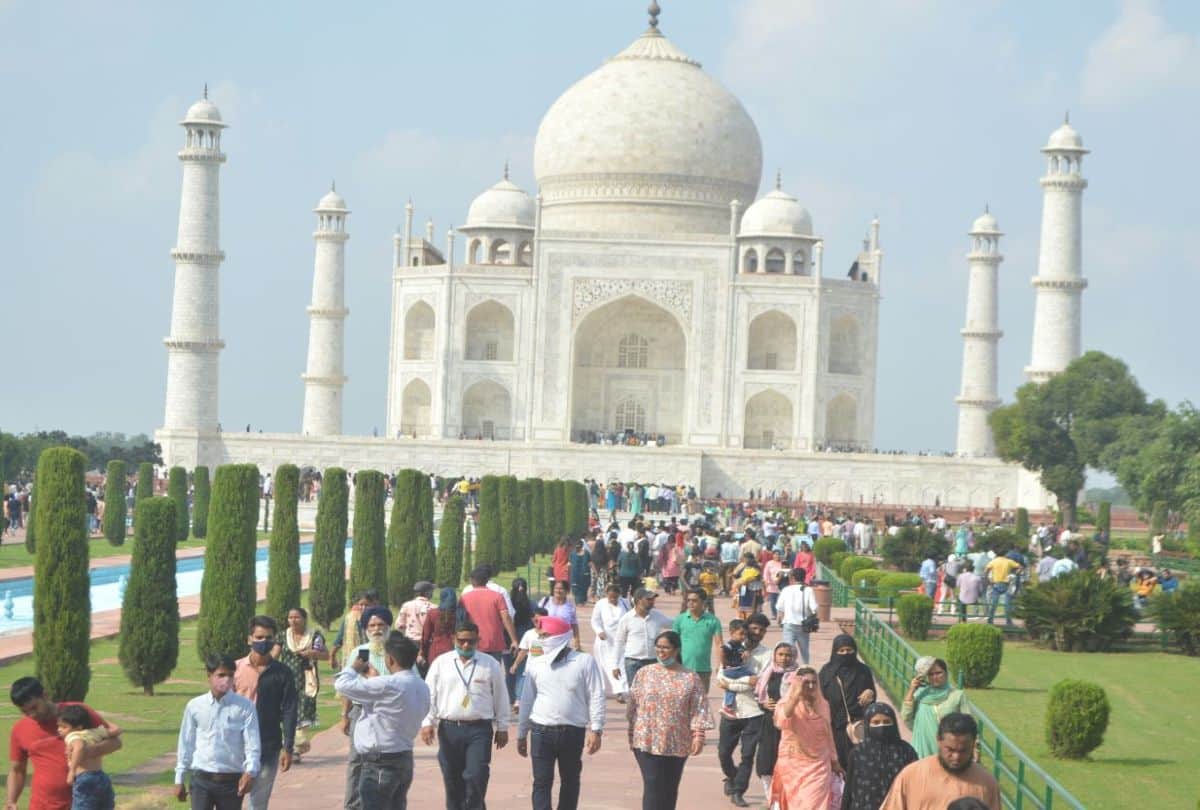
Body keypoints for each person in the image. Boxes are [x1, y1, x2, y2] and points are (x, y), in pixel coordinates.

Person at [516, 616, 606, 810]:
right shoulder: (536, 664)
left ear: (560, 637)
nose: (541, 640)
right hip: (541, 731)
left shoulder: (584, 661)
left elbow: (596, 695)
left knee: (570, 781)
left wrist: (596, 729)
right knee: (541, 782)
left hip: (572, 732)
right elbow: (527, 701)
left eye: (545, 635)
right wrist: (522, 734)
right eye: (540, 636)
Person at [420, 621, 511, 810]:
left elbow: (501, 696)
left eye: (470, 641)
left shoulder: (489, 664)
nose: (466, 646)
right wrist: (427, 722)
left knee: (476, 775)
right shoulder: (441, 663)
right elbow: (428, 694)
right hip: (449, 728)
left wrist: (503, 727)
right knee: (452, 779)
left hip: (479, 729)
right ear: (454, 639)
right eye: (461, 641)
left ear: (478, 640)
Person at [333, 633, 430, 810]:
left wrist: (354, 667)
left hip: (380, 762)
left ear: (390, 659)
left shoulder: (388, 684)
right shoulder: (421, 685)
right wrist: (375, 678)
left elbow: (341, 684)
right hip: (403, 755)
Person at [7, 677, 122, 810]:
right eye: (25, 711)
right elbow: (17, 770)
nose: (31, 715)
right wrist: (11, 800)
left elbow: (115, 742)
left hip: (86, 800)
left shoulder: (77, 712)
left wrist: (86, 751)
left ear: (45, 695)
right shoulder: (20, 729)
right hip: (43, 805)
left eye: (34, 707)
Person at [626, 630, 709, 810]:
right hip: (646, 740)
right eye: (658, 648)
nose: (661, 652)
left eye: (666, 648)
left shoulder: (690, 677)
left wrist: (698, 735)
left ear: (677, 650)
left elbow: (699, 708)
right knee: (653, 783)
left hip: (677, 741)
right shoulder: (644, 673)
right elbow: (633, 705)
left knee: (670, 788)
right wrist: (631, 732)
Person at [175, 654, 262, 809]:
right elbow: (186, 744)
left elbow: (252, 744)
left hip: (231, 781)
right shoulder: (195, 706)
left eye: (230, 675)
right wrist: (179, 779)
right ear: (209, 676)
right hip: (201, 779)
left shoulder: (245, 707)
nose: (226, 680)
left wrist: (250, 772)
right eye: (221, 675)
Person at [234, 615, 298, 810]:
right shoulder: (235, 669)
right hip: (235, 745)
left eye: (268, 638)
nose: (263, 642)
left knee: (258, 803)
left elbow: (289, 711)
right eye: (259, 637)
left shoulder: (282, 673)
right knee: (230, 799)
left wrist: (288, 747)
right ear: (249, 639)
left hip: (267, 745)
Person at [880, 713, 1001, 810]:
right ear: (938, 740)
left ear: (973, 744)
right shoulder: (911, 775)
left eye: (963, 751)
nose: (956, 757)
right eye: (950, 749)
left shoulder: (987, 783)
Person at [717, 613, 773, 808]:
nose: (757, 633)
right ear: (746, 628)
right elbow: (720, 676)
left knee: (748, 754)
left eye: (762, 630)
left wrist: (732, 684)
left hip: (754, 711)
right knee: (724, 752)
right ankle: (732, 777)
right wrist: (739, 683)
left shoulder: (768, 655)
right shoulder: (731, 646)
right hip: (730, 709)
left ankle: (739, 791)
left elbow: (757, 683)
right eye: (754, 628)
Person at [341, 606, 394, 810]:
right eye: (371, 625)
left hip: (389, 713)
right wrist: (344, 715)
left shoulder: (396, 651)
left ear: (388, 626)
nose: (376, 629)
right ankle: (353, 805)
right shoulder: (360, 652)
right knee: (356, 760)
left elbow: (410, 680)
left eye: (381, 624)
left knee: (388, 760)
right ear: (365, 629)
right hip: (361, 712)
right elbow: (347, 685)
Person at [769, 666, 840, 810]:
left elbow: (828, 735)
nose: (811, 686)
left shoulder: (823, 705)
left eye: (814, 682)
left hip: (819, 764)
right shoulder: (785, 704)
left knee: (813, 803)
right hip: (792, 763)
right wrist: (796, 696)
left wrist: (834, 760)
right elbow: (781, 721)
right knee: (795, 803)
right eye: (806, 683)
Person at [841, 702, 917, 810]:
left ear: (894, 723)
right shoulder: (857, 753)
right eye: (876, 722)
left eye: (886, 722)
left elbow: (915, 785)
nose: (881, 726)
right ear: (867, 725)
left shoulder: (906, 751)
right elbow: (849, 789)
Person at [819, 634, 876, 769]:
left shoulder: (863, 670)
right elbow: (819, 697)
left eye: (849, 650)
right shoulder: (826, 672)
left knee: (859, 764)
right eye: (842, 651)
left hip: (858, 725)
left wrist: (870, 693)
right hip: (833, 726)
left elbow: (872, 696)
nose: (846, 654)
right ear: (835, 652)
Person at [279, 607, 328, 758]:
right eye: (290, 617)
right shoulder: (283, 636)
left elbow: (325, 655)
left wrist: (312, 653)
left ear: (304, 619)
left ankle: (297, 746)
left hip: (307, 679)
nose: (293, 620)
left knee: (304, 710)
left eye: (297, 617)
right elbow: (274, 653)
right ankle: (293, 746)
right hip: (286, 679)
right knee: (288, 711)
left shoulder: (314, 636)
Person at [753, 642, 798, 800]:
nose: (784, 658)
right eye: (781, 654)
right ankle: (771, 798)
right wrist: (763, 703)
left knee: (788, 762)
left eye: (788, 655)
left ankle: (786, 798)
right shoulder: (768, 672)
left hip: (790, 726)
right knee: (767, 761)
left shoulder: (798, 676)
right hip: (769, 724)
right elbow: (758, 695)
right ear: (775, 656)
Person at [900, 657, 968, 759]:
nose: (935, 677)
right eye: (931, 674)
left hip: (948, 752)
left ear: (946, 673)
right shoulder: (920, 695)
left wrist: (975, 748)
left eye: (938, 673)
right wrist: (912, 689)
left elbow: (968, 724)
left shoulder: (957, 696)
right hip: (921, 750)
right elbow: (906, 716)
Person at [57, 704, 116, 810]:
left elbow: (79, 747)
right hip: (101, 776)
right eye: (59, 726)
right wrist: (101, 720)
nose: (59, 730)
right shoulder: (94, 732)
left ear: (78, 727)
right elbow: (116, 730)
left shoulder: (73, 736)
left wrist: (72, 771)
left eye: (64, 727)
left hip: (84, 778)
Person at [612, 588, 673, 689]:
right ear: (639, 600)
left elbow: (673, 623)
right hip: (633, 662)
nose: (652, 602)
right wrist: (615, 665)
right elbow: (619, 642)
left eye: (653, 599)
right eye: (648, 599)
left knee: (653, 693)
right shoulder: (626, 619)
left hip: (653, 661)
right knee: (636, 694)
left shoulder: (657, 615)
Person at [460, 566, 519, 662]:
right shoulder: (497, 596)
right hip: (494, 641)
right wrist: (514, 640)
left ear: (472, 580)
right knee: (493, 673)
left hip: (472, 641)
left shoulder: (464, 598)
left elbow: (460, 619)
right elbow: (506, 618)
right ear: (487, 580)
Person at [672, 588, 724, 693]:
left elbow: (719, 644)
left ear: (703, 602)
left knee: (701, 703)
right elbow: (672, 643)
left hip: (703, 669)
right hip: (682, 668)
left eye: (694, 600)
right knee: (681, 700)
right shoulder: (680, 619)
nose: (690, 603)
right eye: (688, 600)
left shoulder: (713, 620)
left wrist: (720, 665)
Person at [590, 582, 631, 700]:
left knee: (620, 664)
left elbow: (630, 618)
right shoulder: (600, 604)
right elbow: (595, 621)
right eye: (610, 597)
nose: (613, 599)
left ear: (619, 595)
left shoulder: (625, 603)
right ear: (606, 594)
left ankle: (620, 691)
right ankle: (605, 690)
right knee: (606, 665)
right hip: (605, 641)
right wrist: (599, 631)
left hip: (620, 640)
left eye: (615, 597)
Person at [777, 568, 819, 664]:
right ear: (804, 578)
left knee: (788, 650)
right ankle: (806, 667)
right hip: (803, 625)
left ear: (792, 578)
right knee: (804, 651)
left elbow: (780, 607)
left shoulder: (786, 589)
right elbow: (814, 608)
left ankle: (789, 669)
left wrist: (779, 618)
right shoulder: (808, 590)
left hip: (788, 623)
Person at [507, 578, 537, 711]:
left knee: (509, 670)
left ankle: (510, 698)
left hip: (508, 641)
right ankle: (519, 699)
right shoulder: (531, 604)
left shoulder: (507, 604)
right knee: (521, 670)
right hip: (525, 641)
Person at [331, 590, 379, 668]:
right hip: (354, 655)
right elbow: (339, 640)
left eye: (366, 605)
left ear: (372, 605)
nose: (363, 608)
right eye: (361, 604)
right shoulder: (350, 619)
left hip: (374, 656)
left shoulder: (377, 619)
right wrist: (332, 656)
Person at [421, 587, 460, 670]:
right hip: (454, 650)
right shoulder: (460, 614)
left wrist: (422, 653)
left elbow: (425, 636)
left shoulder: (433, 613)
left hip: (435, 650)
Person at [537, 580, 582, 651]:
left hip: (562, 642)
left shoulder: (570, 606)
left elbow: (574, 624)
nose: (558, 591)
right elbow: (535, 618)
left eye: (561, 588)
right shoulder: (545, 601)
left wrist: (577, 641)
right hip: (543, 639)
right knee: (538, 659)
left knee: (560, 661)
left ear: (567, 591)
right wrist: (538, 631)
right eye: (556, 588)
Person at [719, 619, 750, 718]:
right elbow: (722, 651)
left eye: (745, 634)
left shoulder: (740, 645)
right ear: (732, 633)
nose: (743, 637)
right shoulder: (730, 644)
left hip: (736, 668)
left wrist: (745, 655)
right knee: (753, 675)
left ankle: (728, 706)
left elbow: (743, 653)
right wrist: (724, 664)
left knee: (731, 687)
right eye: (741, 634)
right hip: (732, 669)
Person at [984, 552, 1022, 626]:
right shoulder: (1008, 561)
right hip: (1006, 584)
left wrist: (988, 580)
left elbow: (986, 570)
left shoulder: (994, 561)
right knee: (1007, 604)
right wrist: (1015, 574)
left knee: (994, 604)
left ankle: (990, 620)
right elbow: (1020, 567)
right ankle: (1008, 621)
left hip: (996, 584)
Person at [732, 552, 763, 620]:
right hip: (743, 588)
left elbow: (758, 577)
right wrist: (738, 580)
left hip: (754, 588)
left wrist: (749, 580)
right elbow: (736, 575)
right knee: (743, 603)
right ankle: (744, 617)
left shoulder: (756, 567)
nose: (745, 560)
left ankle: (753, 618)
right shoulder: (743, 566)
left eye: (747, 559)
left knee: (753, 604)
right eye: (745, 559)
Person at [763, 548, 786, 620]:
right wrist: (766, 581)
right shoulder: (769, 563)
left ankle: (782, 614)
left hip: (782, 584)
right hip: (772, 585)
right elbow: (766, 573)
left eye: (779, 554)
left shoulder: (783, 563)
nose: (777, 556)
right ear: (773, 555)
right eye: (775, 554)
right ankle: (774, 614)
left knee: (782, 601)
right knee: (773, 601)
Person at [569, 540, 591, 605]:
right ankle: (582, 601)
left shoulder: (572, 553)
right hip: (585, 573)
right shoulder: (586, 553)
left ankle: (578, 601)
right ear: (582, 546)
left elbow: (569, 564)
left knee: (576, 588)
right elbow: (590, 563)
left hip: (575, 573)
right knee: (583, 587)